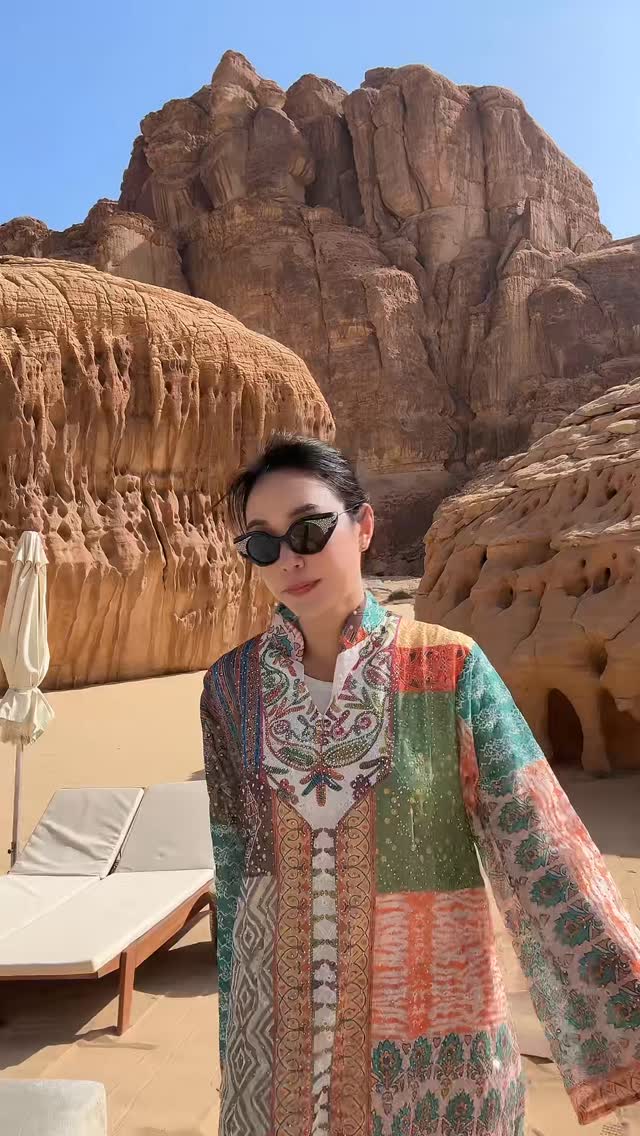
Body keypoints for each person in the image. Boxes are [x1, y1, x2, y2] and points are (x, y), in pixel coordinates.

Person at [200, 434, 640, 1136]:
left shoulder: (449, 668)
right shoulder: (229, 689)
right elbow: (234, 870)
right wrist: (236, 1043)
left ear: (364, 526)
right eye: (262, 543)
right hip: (276, 1064)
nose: (289, 559)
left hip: (436, 1058)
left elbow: (543, 847)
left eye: (309, 530)